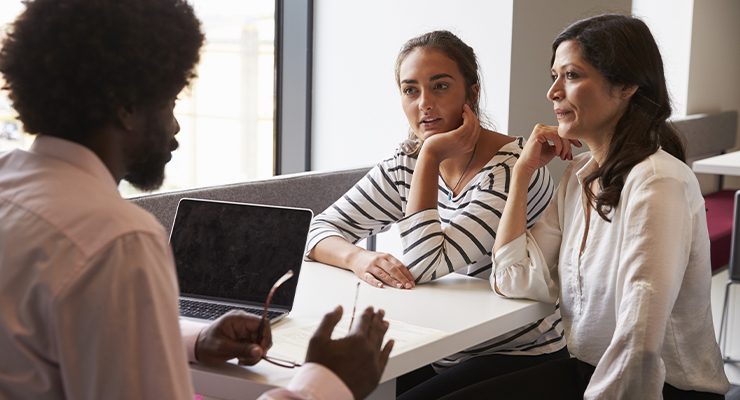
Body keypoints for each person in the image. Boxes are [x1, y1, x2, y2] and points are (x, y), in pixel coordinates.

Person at [0, 1, 392, 399]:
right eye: (169, 102)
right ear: (128, 107)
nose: (174, 127)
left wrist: (194, 339)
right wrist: (325, 383)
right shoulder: (115, 240)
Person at [443, 14, 731, 399]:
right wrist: (523, 171)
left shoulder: (658, 181)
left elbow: (638, 343)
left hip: (659, 388)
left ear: (627, 85)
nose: (553, 92)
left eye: (572, 75)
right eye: (554, 76)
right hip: (587, 370)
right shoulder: (580, 176)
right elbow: (513, 279)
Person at [306, 30, 568, 399]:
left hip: (519, 353)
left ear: (471, 93)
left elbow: (428, 263)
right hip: (441, 349)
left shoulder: (514, 168)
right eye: (410, 90)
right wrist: (358, 257)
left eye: (440, 86)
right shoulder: (404, 165)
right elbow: (316, 230)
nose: (424, 103)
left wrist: (430, 156)